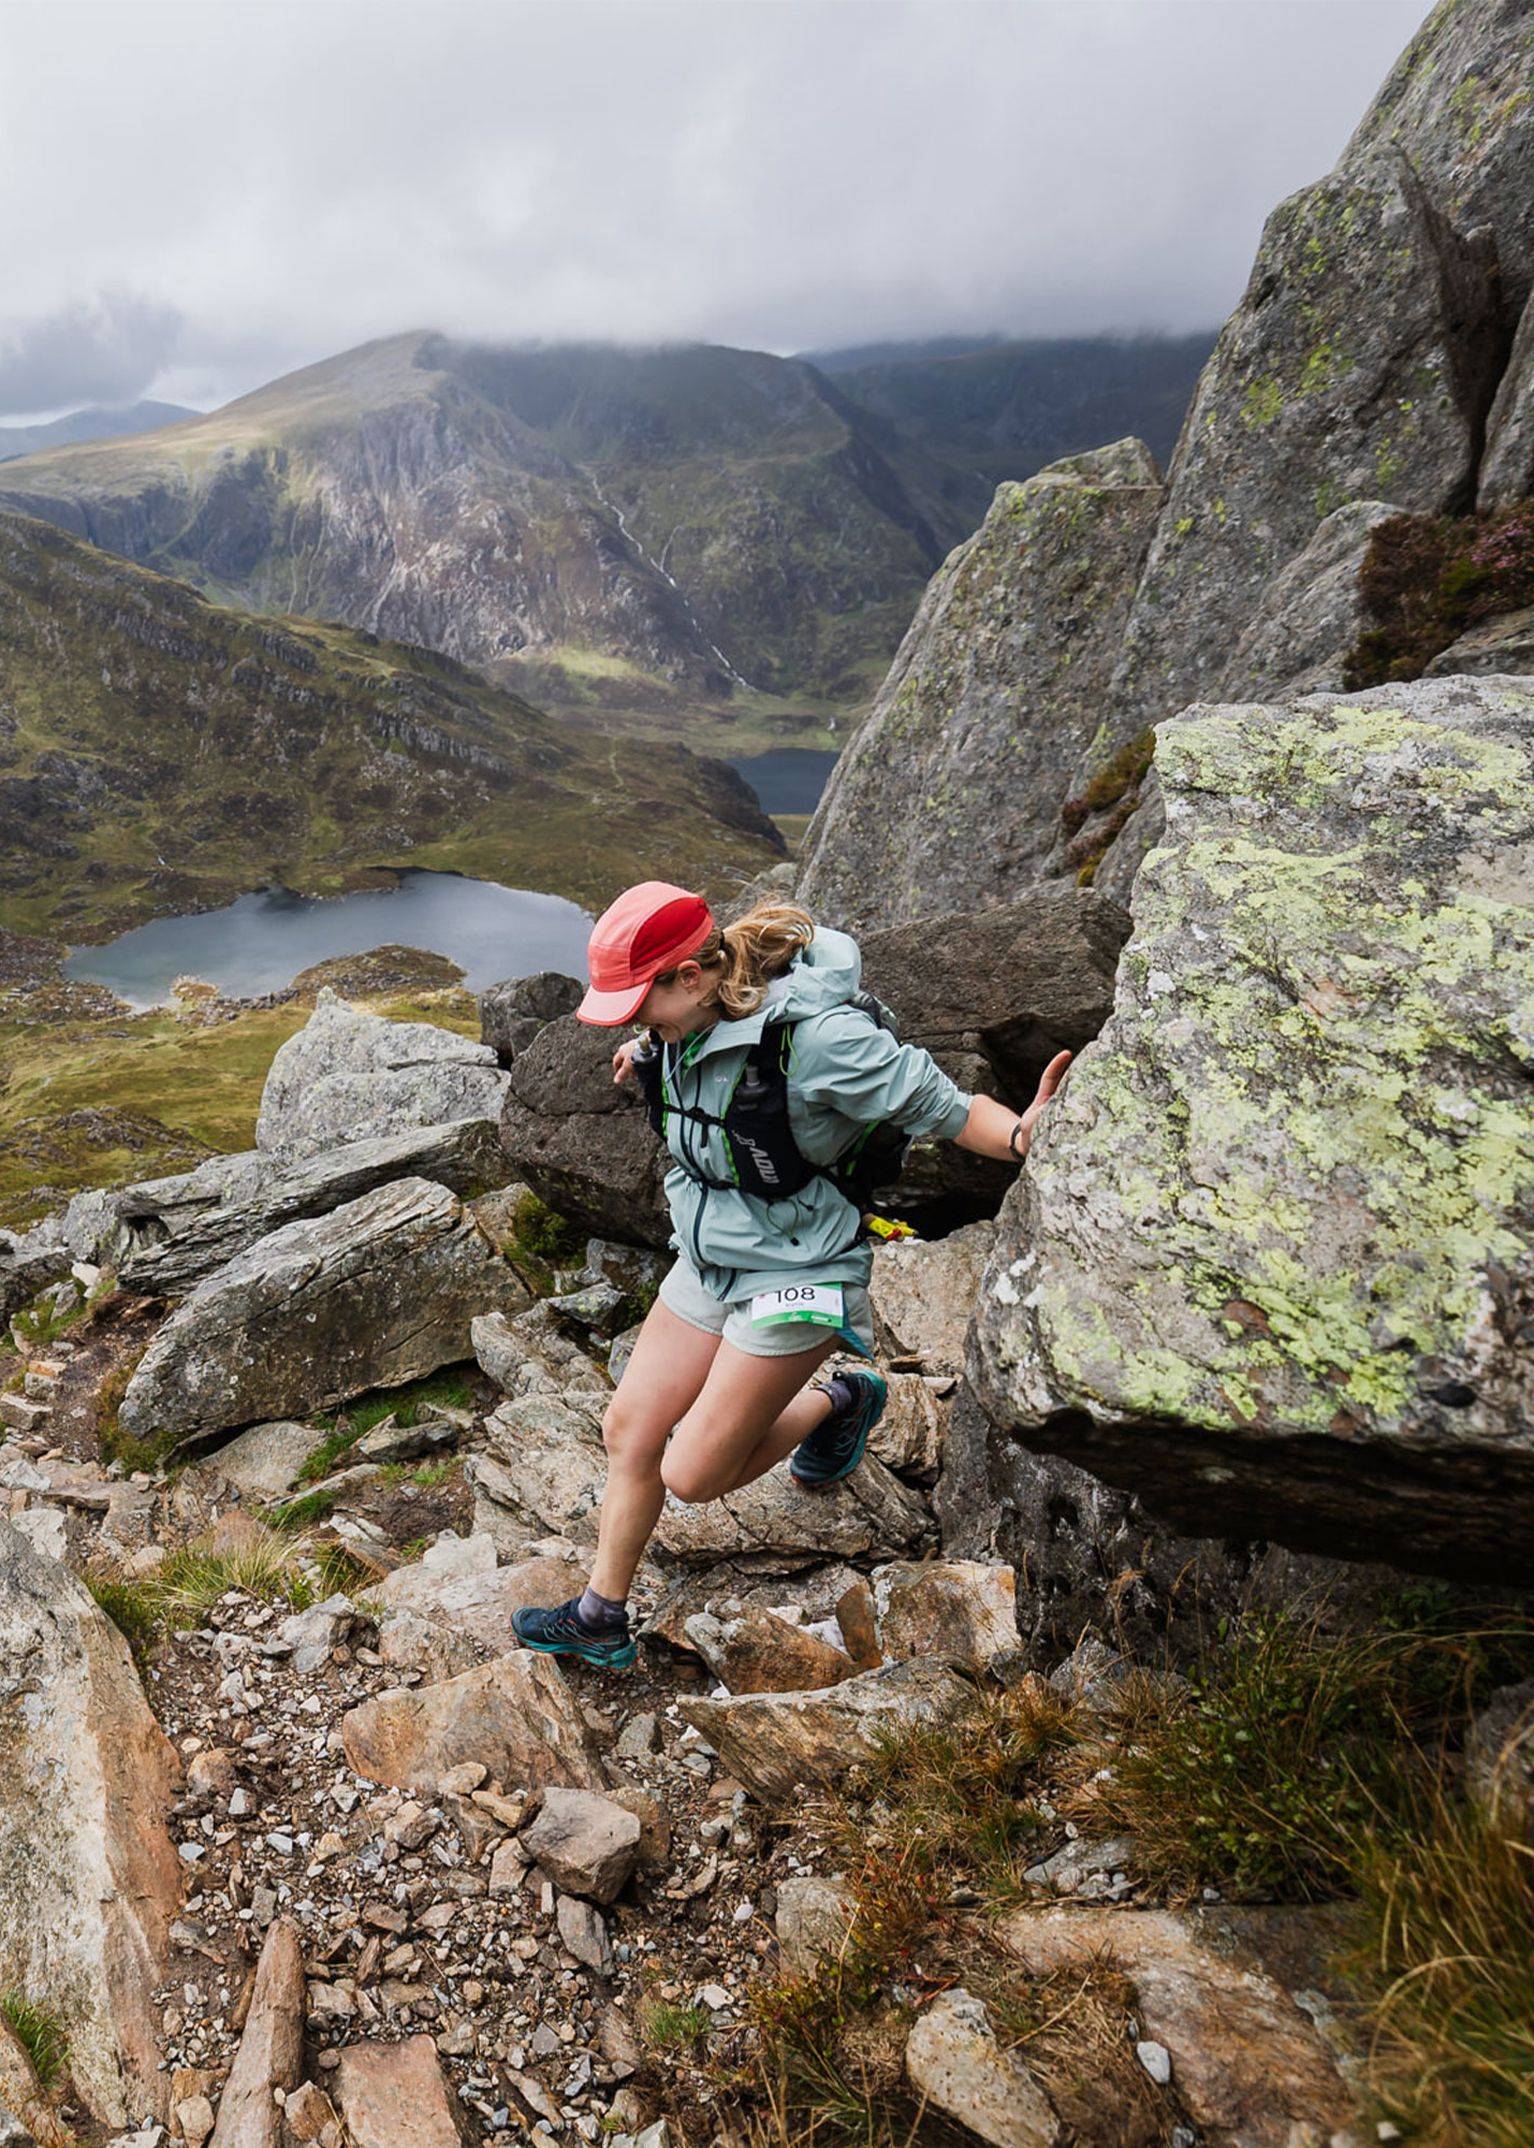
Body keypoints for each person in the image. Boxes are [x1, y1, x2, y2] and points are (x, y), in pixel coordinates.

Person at [511, 880, 1070, 1670]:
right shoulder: (680, 1026)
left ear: (693, 977)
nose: (635, 1018)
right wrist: (641, 1049)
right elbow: (690, 1051)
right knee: (627, 1432)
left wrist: (1020, 1136)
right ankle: (601, 1617)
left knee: (694, 1474)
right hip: (712, 1253)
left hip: (800, 1269)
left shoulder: (820, 1041)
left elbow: (935, 1104)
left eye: (641, 1001)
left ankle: (844, 1397)